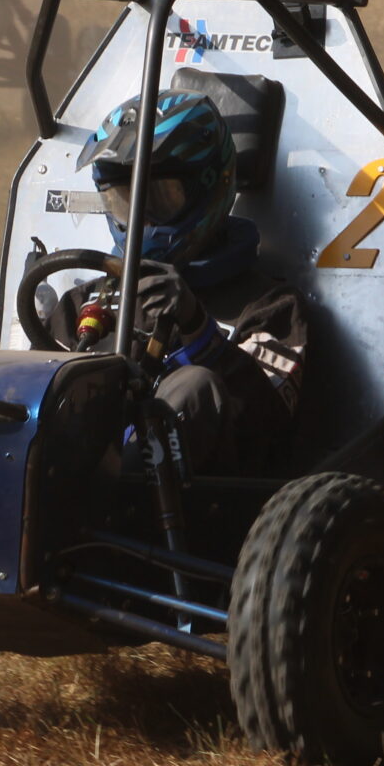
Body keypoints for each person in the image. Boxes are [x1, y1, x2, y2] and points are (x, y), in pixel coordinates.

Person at [40, 89, 308, 476]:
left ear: (212, 184)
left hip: (206, 516)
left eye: (159, 197)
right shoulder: (83, 302)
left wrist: (196, 328)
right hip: (64, 497)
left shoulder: (269, 306)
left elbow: (271, 427)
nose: (143, 218)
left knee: (193, 386)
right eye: (124, 200)